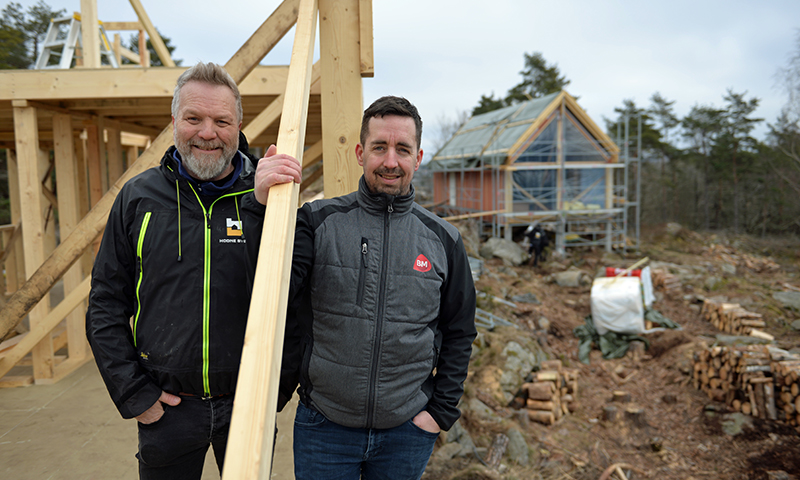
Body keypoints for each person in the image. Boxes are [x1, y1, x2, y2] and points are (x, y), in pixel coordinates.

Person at [85, 62, 301, 479]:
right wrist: (135, 393)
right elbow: (105, 304)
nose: (207, 132)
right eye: (193, 118)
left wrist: (274, 390)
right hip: (168, 409)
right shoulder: (138, 198)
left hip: (247, 404)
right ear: (174, 122)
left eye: (221, 120)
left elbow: (297, 299)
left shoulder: (268, 196)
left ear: (238, 126)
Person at [263, 96, 477, 479]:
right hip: (324, 427)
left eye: (403, 149)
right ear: (361, 153)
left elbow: (460, 331)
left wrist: (439, 413)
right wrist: (259, 204)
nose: (391, 161)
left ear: (419, 157)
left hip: (407, 432)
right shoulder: (317, 222)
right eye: (380, 147)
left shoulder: (444, 240)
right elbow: (266, 287)